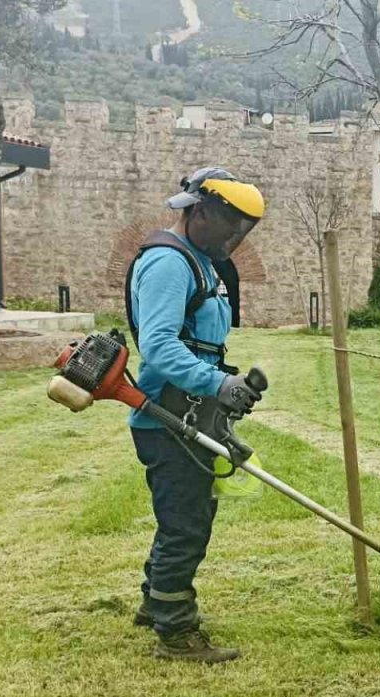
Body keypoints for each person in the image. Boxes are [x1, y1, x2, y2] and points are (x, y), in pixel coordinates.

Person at [124, 167, 265, 664]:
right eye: (231, 224)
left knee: (185, 515)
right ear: (199, 210)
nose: (236, 237)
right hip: (167, 414)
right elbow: (160, 346)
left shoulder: (200, 262)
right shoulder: (169, 264)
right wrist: (217, 383)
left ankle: (154, 602)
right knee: (185, 523)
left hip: (192, 411)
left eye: (245, 228)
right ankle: (177, 632)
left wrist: (225, 390)